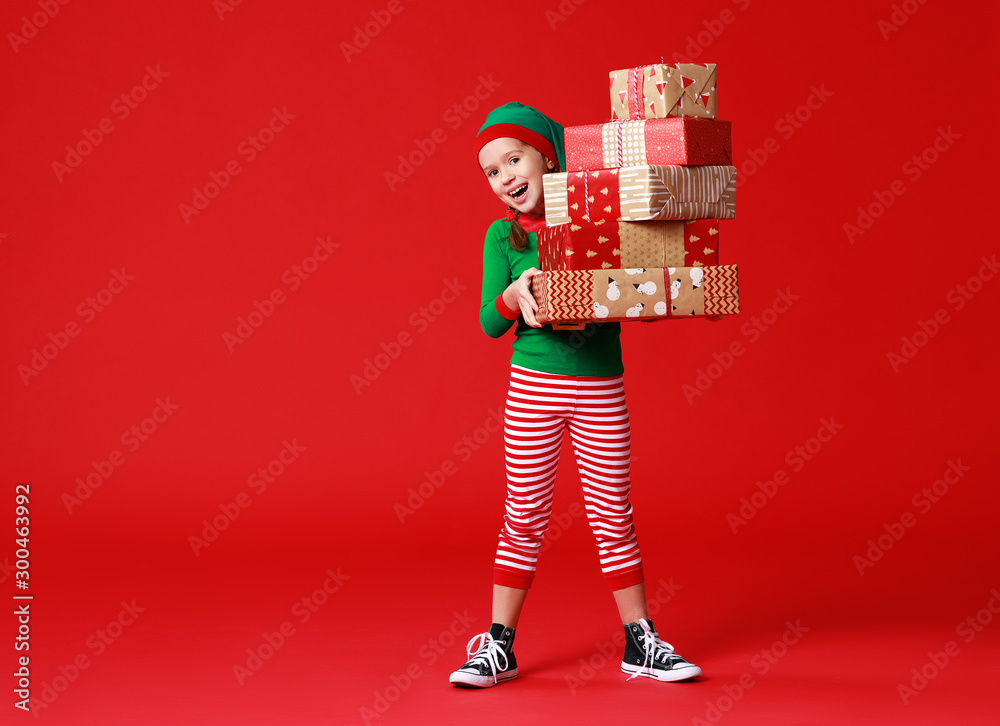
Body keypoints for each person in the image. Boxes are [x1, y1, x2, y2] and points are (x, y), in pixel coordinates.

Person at [449, 102, 701, 688]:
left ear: (548, 156)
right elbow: (490, 321)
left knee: (613, 512)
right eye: (491, 171)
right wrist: (514, 292)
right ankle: (498, 644)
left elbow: (638, 294)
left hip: (600, 387)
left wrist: (690, 293)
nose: (505, 177)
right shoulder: (502, 237)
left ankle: (641, 641)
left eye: (514, 158)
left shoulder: (600, 221)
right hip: (533, 388)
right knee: (525, 515)